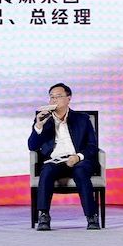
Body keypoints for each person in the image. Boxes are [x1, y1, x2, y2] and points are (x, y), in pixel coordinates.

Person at [29, 83, 100, 231]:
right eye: (51, 97)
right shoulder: (43, 120)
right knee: (47, 171)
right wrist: (38, 126)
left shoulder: (82, 119)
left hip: (78, 160)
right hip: (55, 161)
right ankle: (44, 215)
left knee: (81, 172)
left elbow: (92, 146)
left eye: (58, 96)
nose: (54, 100)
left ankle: (91, 216)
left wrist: (78, 157)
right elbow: (32, 146)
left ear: (69, 98)